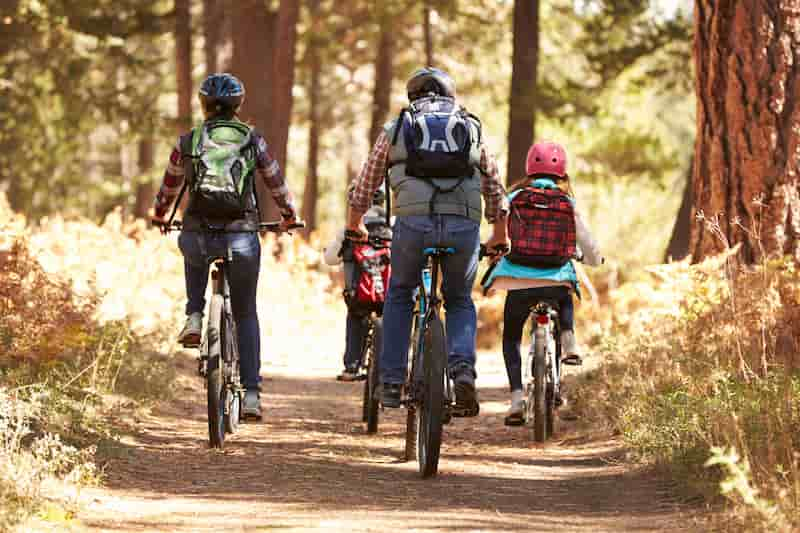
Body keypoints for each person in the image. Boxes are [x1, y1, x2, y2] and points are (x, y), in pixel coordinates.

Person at [347, 67, 509, 414]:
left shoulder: (399, 127)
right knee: (460, 299)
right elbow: (493, 182)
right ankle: (463, 370)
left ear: (412, 97)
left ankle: (390, 381)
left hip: (413, 225)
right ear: (451, 95)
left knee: (400, 293)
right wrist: (499, 232)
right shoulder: (470, 125)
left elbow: (366, 182)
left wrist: (354, 223)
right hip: (463, 225)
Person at [151, 73, 299, 420]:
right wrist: (289, 215)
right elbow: (275, 183)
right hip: (242, 233)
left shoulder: (189, 141)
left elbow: (169, 187)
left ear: (203, 104)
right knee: (246, 312)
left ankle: (194, 314)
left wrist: (160, 215)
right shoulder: (252, 140)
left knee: (194, 252)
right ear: (238, 105)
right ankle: (250, 395)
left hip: (198, 231)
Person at [482, 141, 602, 426]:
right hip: (554, 276)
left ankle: (515, 399)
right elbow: (586, 241)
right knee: (565, 288)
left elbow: (497, 231)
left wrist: (489, 250)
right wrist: (595, 259)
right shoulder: (566, 202)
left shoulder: (514, 197)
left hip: (518, 278)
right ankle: (568, 338)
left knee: (511, 337)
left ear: (529, 169)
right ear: (562, 172)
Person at [323, 184, 392, 382]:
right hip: (389, 294)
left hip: (358, 294)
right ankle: (394, 370)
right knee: (396, 317)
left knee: (355, 315)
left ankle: (352, 366)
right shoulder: (393, 224)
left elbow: (330, 259)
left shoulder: (349, 229)